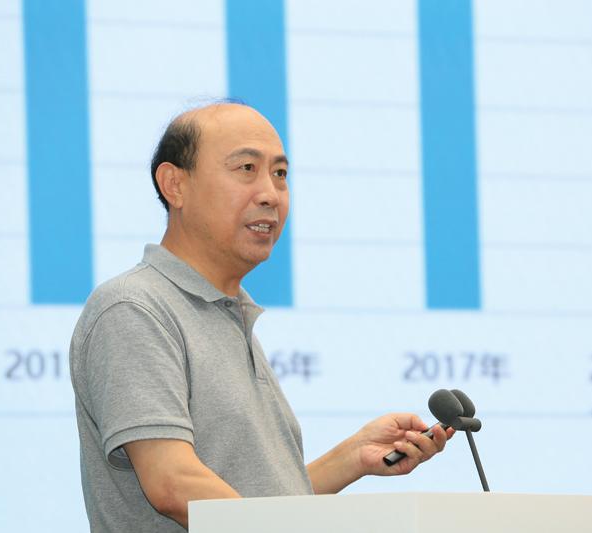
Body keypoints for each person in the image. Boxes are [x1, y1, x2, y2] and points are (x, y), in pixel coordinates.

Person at [69, 102, 453, 532]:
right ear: (175, 185)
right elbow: (174, 484)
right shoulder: (135, 307)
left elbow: (256, 505)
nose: (270, 193)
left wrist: (351, 458)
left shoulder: (229, 313)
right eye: (247, 168)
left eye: (280, 174)